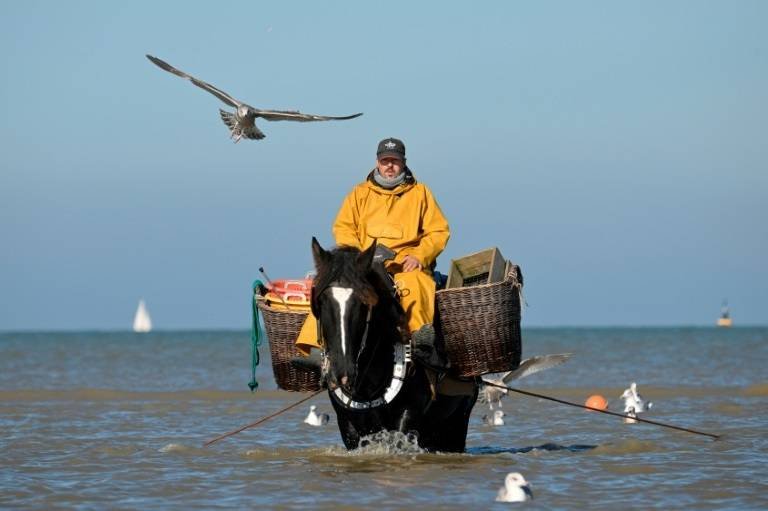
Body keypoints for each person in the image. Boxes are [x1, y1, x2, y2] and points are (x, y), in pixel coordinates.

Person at [295, 137, 450, 369]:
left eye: (395, 161)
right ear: (377, 163)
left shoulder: (420, 193)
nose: (390, 166)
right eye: (385, 160)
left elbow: (438, 230)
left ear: (403, 163)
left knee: (416, 284)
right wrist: (357, 258)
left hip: (404, 265)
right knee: (330, 290)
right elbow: (344, 227)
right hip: (365, 265)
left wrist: (419, 256)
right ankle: (317, 347)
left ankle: (420, 343)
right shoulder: (359, 193)